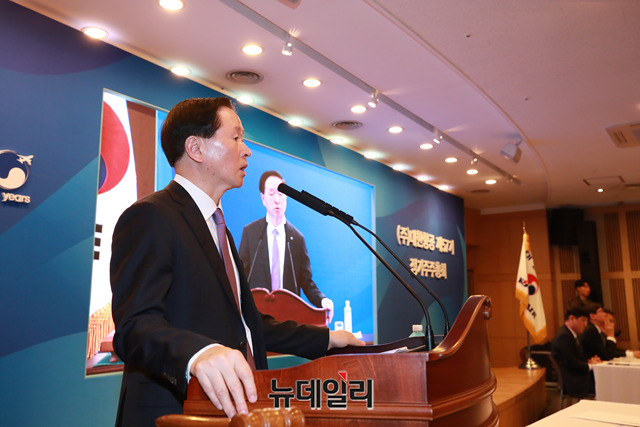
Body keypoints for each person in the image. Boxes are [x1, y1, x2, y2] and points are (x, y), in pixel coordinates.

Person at [110, 97, 363, 427]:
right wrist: (196, 354)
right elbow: (135, 326)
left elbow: (247, 324)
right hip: (175, 413)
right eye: (236, 138)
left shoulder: (220, 230)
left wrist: (325, 339)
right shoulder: (151, 216)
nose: (247, 151)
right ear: (196, 148)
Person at [238, 170, 334, 320]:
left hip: (289, 318)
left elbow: (307, 283)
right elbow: (240, 277)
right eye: (271, 194)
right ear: (263, 198)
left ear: (287, 196)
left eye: (281, 193)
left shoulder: (297, 238)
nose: (277, 199)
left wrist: (323, 300)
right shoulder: (250, 232)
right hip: (257, 317)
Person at [551, 306, 601, 398]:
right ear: (572, 318)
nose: (585, 325)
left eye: (586, 321)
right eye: (583, 320)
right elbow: (571, 363)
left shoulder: (570, 334)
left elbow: (576, 357)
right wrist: (591, 366)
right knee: (606, 386)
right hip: (575, 383)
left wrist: (589, 361)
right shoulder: (564, 336)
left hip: (577, 378)